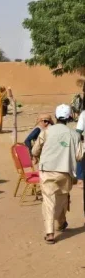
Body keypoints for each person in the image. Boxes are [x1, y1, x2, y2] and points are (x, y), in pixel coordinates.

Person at [32, 104, 83, 244]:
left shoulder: (46, 131)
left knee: (48, 201)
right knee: (61, 200)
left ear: (55, 116)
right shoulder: (75, 135)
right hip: (65, 172)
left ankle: (50, 233)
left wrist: (38, 154)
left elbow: (35, 150)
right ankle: (60, 224)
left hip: (47, 171)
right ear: (69, 117)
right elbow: (79, 156)